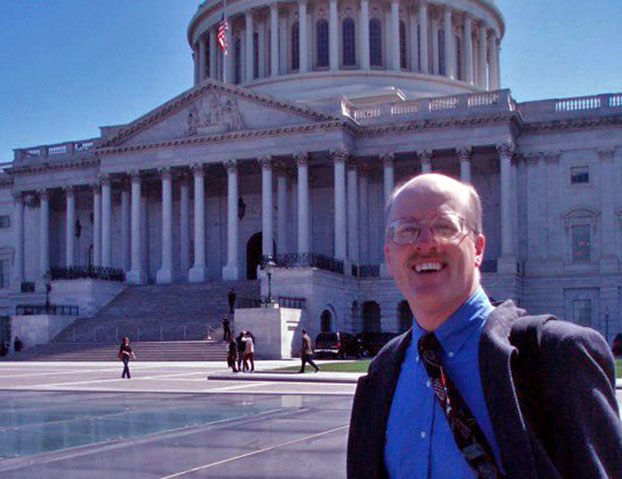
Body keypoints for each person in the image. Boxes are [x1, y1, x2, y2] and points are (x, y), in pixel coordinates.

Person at [347, 173, 622, 479]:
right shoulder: (384, 370)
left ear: (478, 248)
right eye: (407, 230)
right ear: (390, 255)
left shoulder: (557, 356)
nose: (425, 243)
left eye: (444, 226)